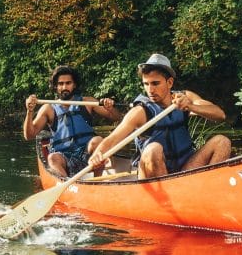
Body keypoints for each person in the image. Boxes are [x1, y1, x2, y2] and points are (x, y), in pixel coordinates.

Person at [89, 54, 231, 179]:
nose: (150, 90)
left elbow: (220, 115)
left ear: (169, 82)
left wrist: (191, 106)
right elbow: (113, 139)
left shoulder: (185, 97)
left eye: (155, 83)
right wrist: (98, 153)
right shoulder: (140, 111)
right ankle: (166, 201)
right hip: (154, 175)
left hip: (185, 169)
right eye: (146, 84)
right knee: (153, 148)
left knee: (222, 142)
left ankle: (209, 186)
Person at [24, 65, 121, 177]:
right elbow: (29, 135)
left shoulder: (88, 102)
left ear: (74, 85)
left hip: (88, 156)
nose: (64, 87)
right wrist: (29, 111)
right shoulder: (48, 109)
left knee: (98, 140)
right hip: (64, 157)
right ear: (55, 86)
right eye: (60, 84)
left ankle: (97, 180)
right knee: (52, 158)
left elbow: (116, 117)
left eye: (68, 83)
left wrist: (110, 108)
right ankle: (66, 185)